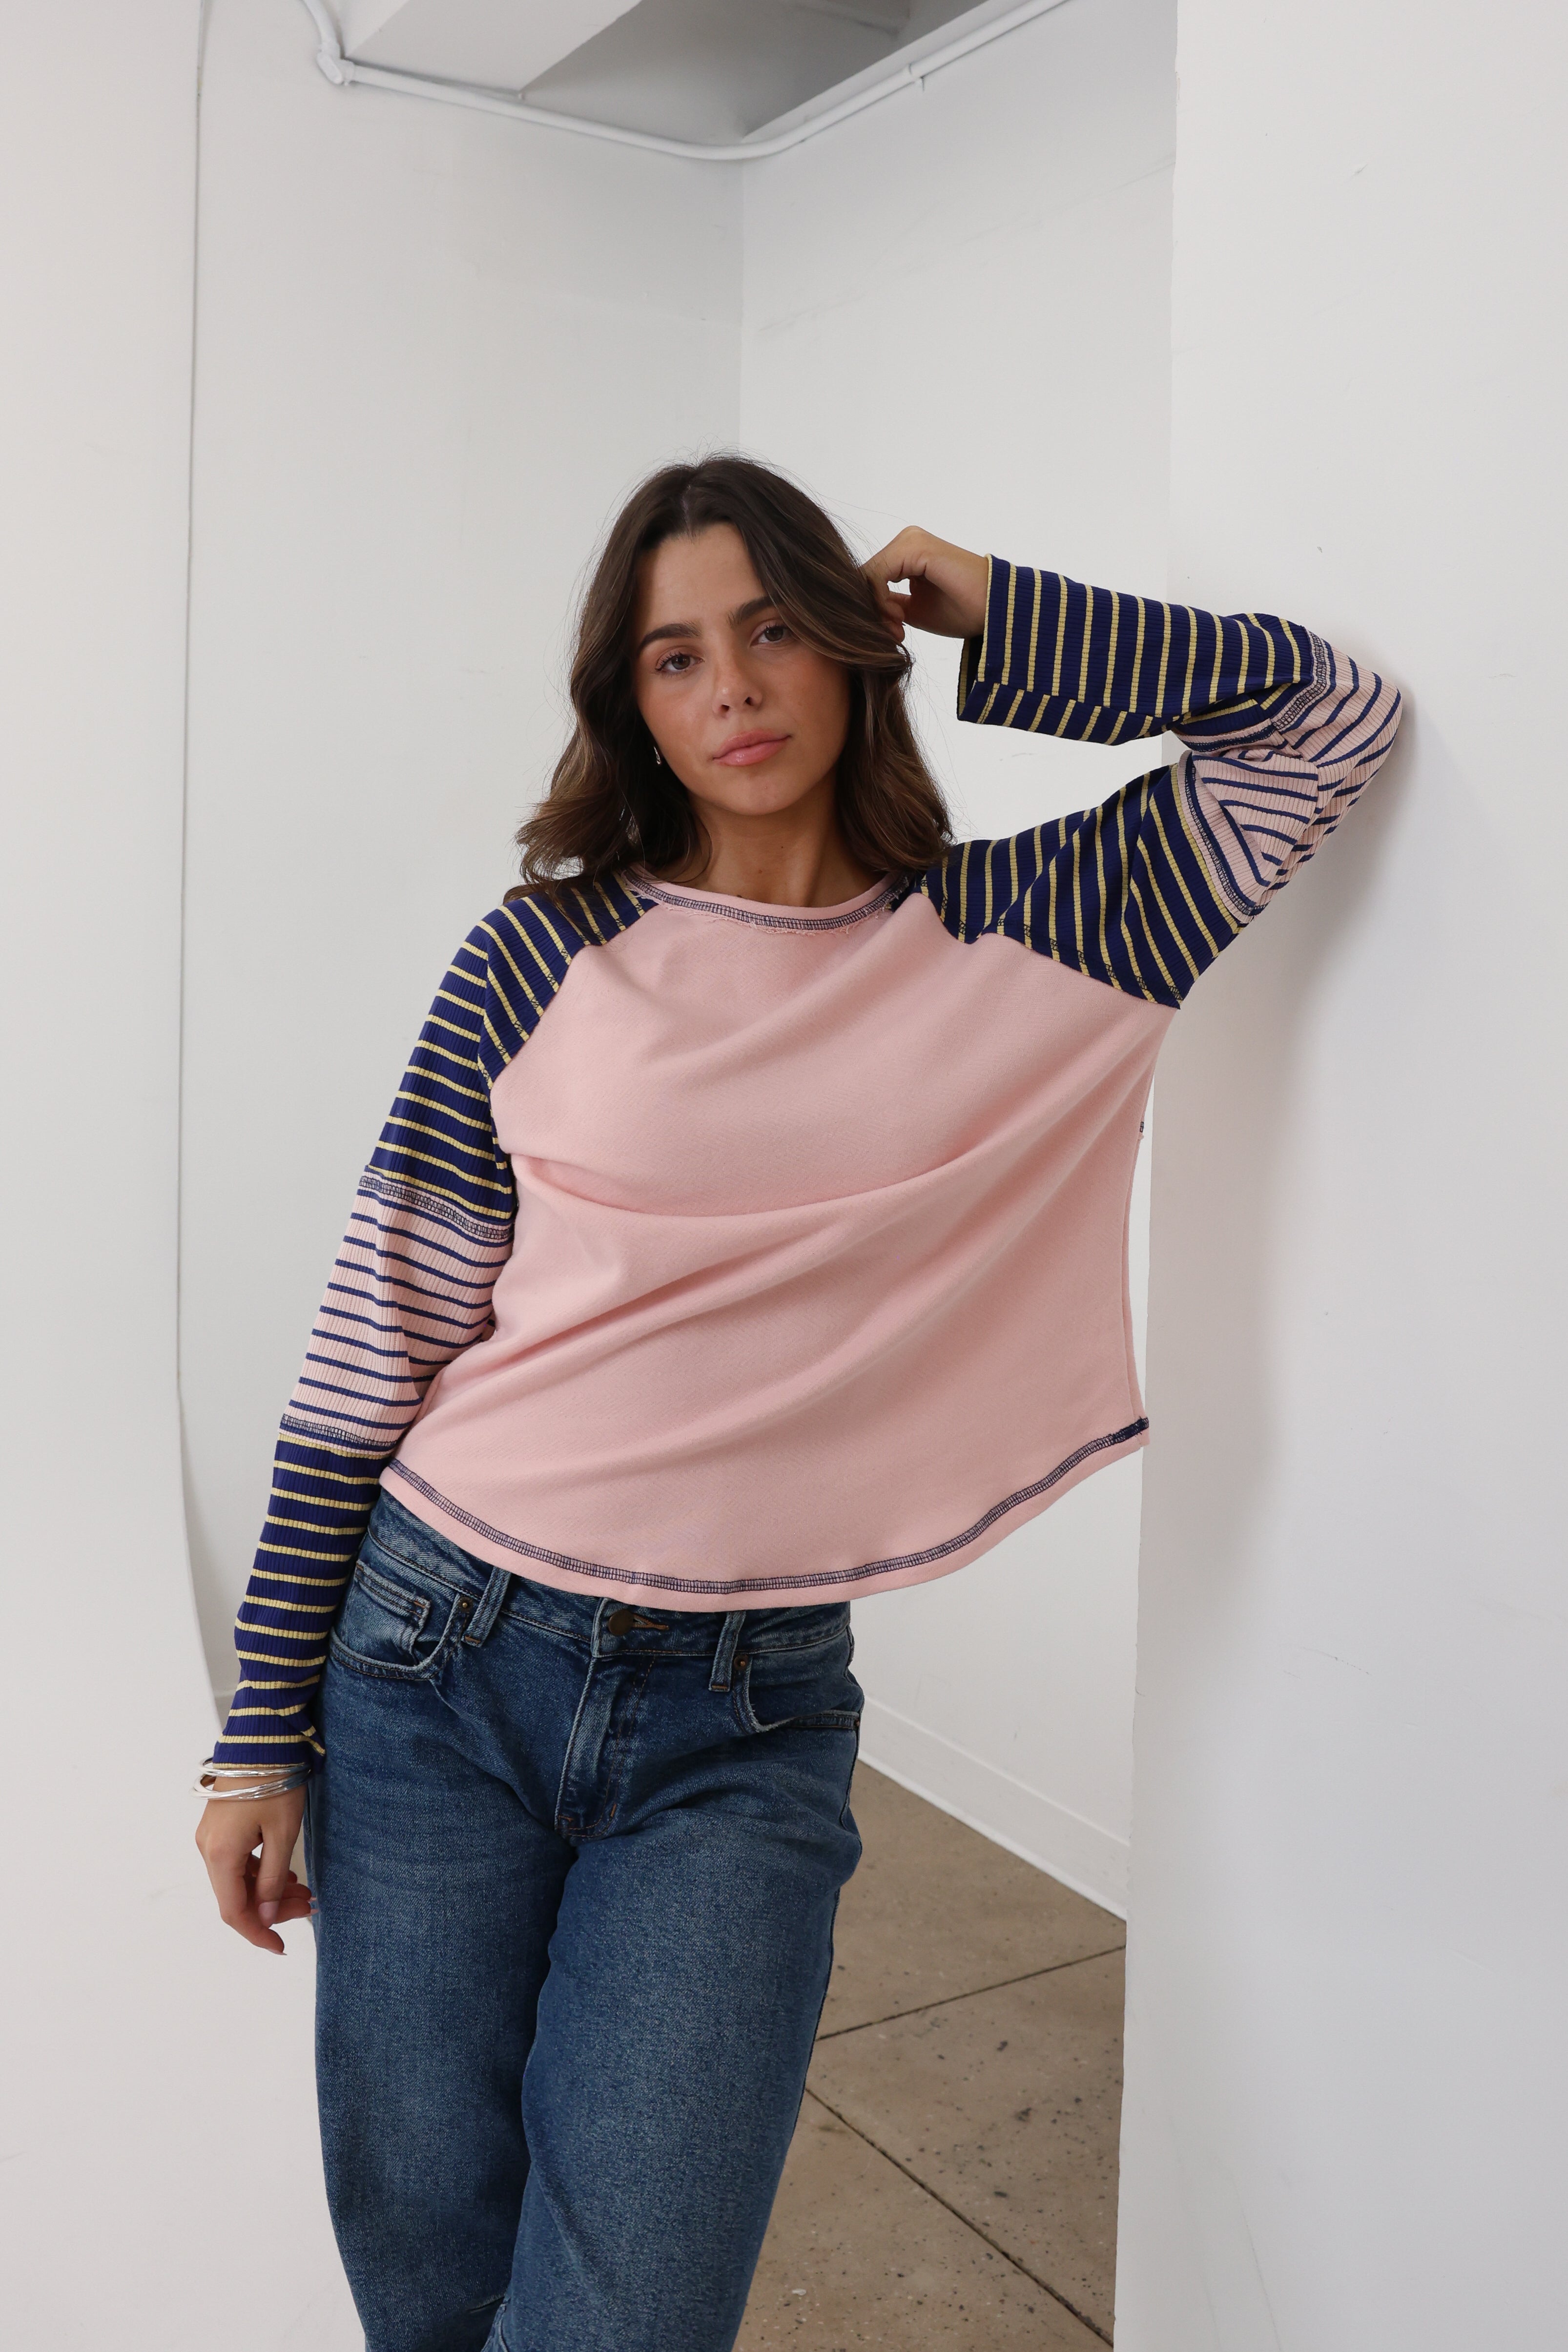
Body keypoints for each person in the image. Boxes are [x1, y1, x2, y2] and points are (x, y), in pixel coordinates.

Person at [195, 456, 1400, 2352]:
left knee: (626, 2317)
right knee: (427, 2283)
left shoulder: (1047, 927)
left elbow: (1328, 718)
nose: (732, 686)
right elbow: (374, 1343)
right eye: (675, 655)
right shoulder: (539, 949)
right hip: (432, 1659)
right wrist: (258, 1725)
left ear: (848, 644)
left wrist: (995, 604)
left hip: (739, 1720)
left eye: (770, 626)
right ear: (633, 706)